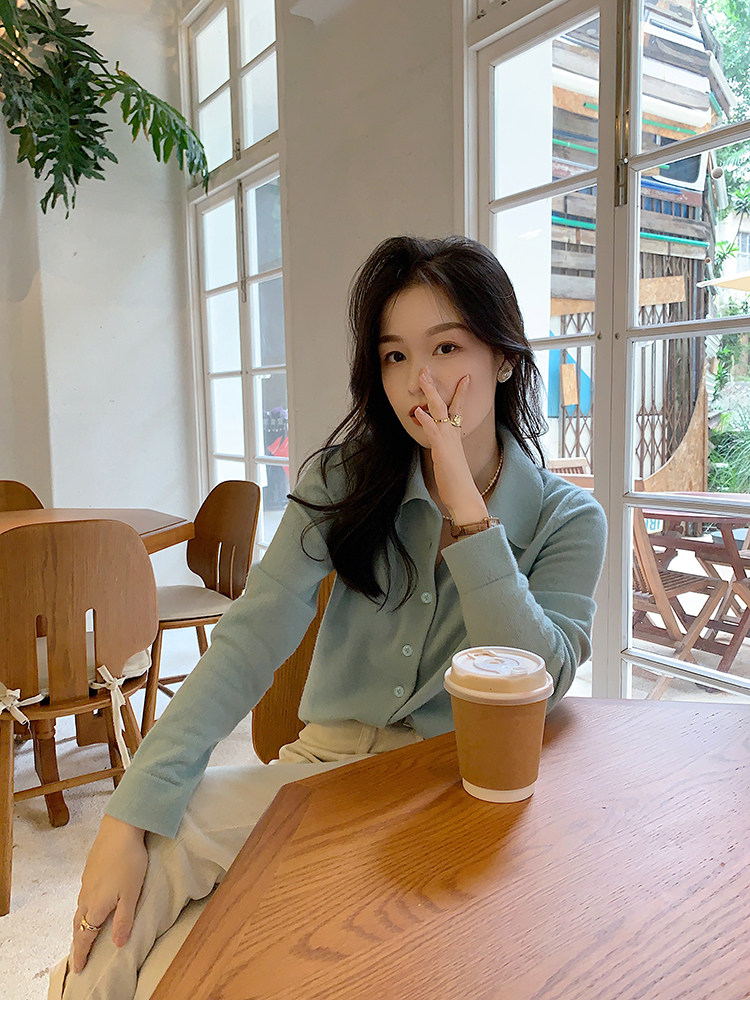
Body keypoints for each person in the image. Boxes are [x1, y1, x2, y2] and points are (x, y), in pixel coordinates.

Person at [50, 234, 606, 999]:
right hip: (324, 770)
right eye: (395, 356)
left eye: (446, 347)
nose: (419, 381)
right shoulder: (344, 482)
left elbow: (538, 677)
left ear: (504, 358)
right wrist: (127, 813)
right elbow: (250, 638)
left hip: (456, 792)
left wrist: (468, 513)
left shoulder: (568, 519)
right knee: (146, 879)